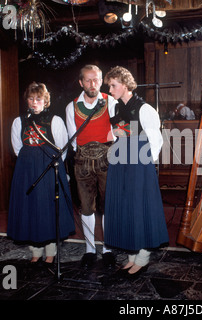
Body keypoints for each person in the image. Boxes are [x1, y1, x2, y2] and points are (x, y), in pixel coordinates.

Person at [103, 66, 169, 277]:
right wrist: (115, 136)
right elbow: (118, 133)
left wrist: (145, 166)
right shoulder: (114, 108)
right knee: (125, 207)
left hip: (139, 162)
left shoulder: (144, 109)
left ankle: (142, 258)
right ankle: (131, 257)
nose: (110, 89)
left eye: (113, 85)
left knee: (139, 208)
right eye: (109, 86)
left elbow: (156, 141)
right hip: (121, 160)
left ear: (125, 84)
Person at [7, 82, 75, 265]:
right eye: (31, 98)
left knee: (48, 209)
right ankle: (35, 251)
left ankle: (51, 252)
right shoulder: (19, 121)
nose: (34, 102)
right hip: (26, 170)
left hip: (48, 169)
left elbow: (62, 148)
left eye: (38, 99)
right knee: (29, 209)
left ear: (45, 101)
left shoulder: (55, 120)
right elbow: (17, 148)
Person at [65, 64, 117, 269]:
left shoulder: (110, 101)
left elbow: (117, 130)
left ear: (101, 79)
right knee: (86, 207)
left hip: (107, 159)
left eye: (96, 79)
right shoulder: (71, 107)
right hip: (82, 162)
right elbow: (72, 138)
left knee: (107, 206)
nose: (92, 84)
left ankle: (108, 249)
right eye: (88, 80)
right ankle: (89, 249)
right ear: (81, 82)